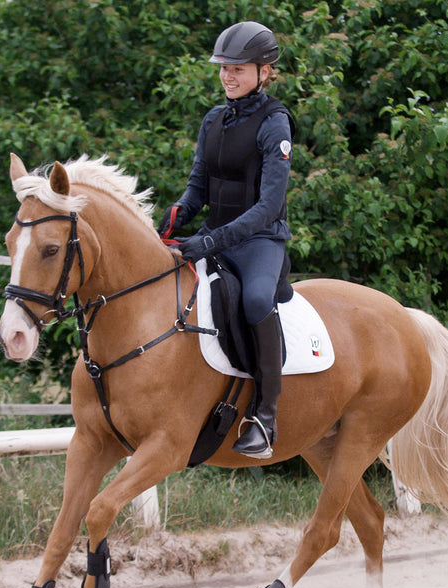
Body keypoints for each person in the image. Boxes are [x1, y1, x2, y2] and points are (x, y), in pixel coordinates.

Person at [158, 21, 294, 459]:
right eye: (223, 68)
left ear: (264, 70)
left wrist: (210, 242)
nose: (228, 76)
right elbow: (198, 188)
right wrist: (173, 219)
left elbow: (267, 207)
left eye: (238, 68)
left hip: (260, 241)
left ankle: (266, 415)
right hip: (214, 236)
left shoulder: (275, 123)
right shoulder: (213, 119)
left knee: (255, 301)